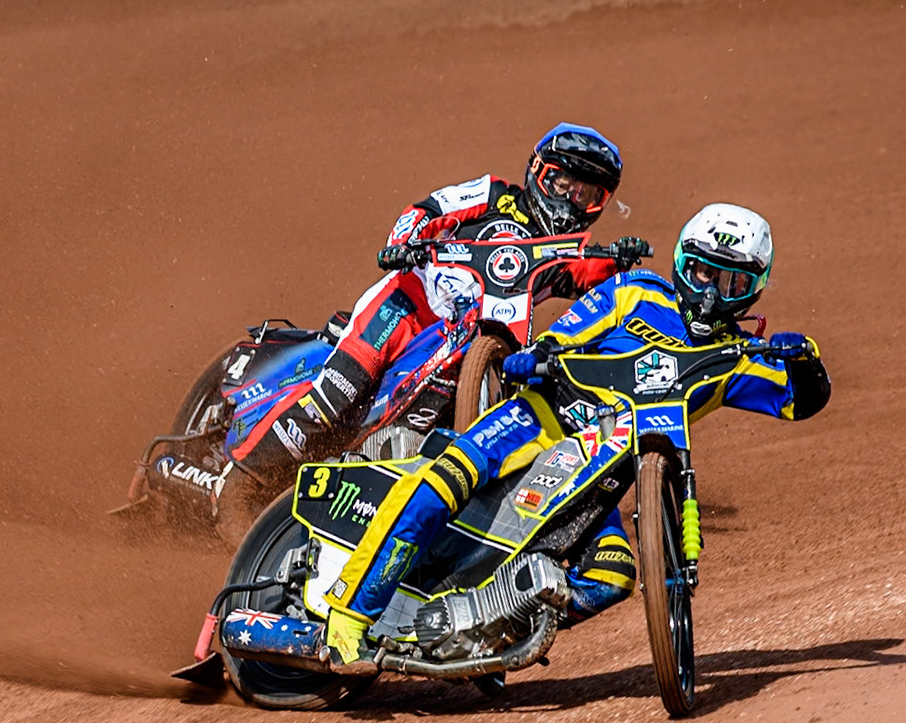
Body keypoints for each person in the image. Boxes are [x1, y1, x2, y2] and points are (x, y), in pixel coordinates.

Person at [313, 203, 830, 673]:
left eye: (732, 283)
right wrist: (537, 355)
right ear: (680, 263)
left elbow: (799, 400)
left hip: (601, 475)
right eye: (702, 273)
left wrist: (804, 358)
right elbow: (564, 334)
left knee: (615, 574)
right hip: (541, 421)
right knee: (443, 481)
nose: (712, 292)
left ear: (755, 288)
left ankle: (487, 629)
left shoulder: (737, 357)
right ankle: (350, 620)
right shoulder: (637, 291)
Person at [227, 123, 644, 489]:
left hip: (466, 346)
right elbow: (432, 209)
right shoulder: (495, 194)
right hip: (406, 306)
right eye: (562, 184)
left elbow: (594, 276)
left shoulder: (561, 256)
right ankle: (241, 480)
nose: (570, 200)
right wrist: (403, 243)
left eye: (586, 195)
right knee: (335, 396)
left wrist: (622, 262)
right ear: (539, 174)